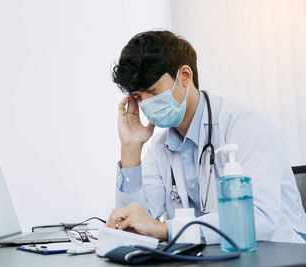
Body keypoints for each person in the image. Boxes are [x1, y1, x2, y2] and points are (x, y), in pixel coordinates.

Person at [105, 30, 306, 244]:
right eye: (138, 97)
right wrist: (130, 147)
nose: (146, 103)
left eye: (152, 92)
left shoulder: (245, 125)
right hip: (212, 255)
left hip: (280, 249)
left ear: (184, 76)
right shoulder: (160, 147)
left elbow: (260, 219)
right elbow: (135, 224)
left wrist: (167, 230)